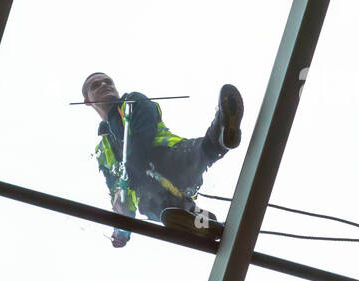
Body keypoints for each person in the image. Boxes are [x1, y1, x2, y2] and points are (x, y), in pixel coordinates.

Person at [82, 72, 244, 245]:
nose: (104, 85)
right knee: (159, 206)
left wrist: (131, 170)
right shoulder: (103, 150)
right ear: (87, 101)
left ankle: (222, 129)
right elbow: (118, 191)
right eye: (95, 85)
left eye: (108, 81)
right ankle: (205, 223)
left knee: (198, 153)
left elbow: (143, 136)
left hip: (167, 157)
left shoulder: (133, 101)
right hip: (151, 190)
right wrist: (121, 228)